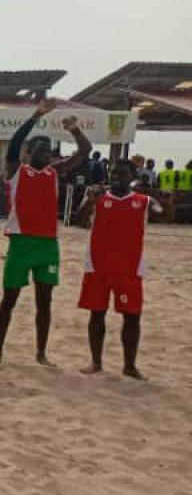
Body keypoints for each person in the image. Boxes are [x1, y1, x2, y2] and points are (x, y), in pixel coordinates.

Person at [0, 97, 91, 366]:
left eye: (49, 151)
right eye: (41, 150)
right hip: (21, 244)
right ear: (29, 153)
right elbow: (13, 144)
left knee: (44, 301)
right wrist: (37, 115)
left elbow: (84, 151)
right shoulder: (16, 170)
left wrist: (74, 129)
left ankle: (41, 353)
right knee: (9, 299)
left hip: (48, 246)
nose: (46, 154)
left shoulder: (54, 172)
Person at [74, 160, 159, 380]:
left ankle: (129, 365)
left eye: (122, 173)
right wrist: (89, 202)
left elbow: (162, 212)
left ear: (132, 175)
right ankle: (96, 361)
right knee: (97, 314)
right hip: (97, 267)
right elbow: (78, 220)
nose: (116, 176)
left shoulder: (143, 201)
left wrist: (167, 203)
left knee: (131, 318)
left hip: (128, 270)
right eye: (113, 173)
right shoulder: (97, 197)